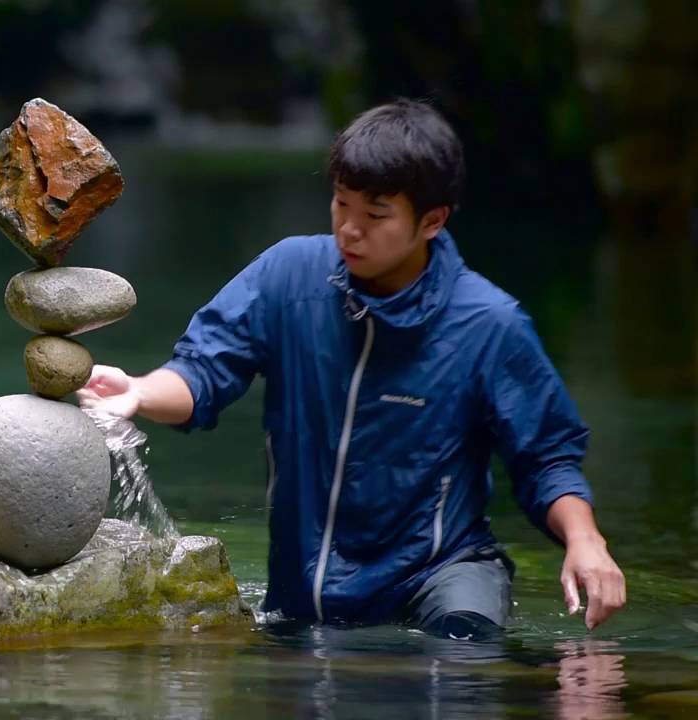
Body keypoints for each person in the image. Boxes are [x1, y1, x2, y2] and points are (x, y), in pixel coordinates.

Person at [77, 99, 626, 639]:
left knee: (466, 649)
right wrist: (137, 392)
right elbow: (202, 373)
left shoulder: (488, 324)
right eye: (341, 204)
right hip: (307, 594)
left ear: (432, 220)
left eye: (376, 215)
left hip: (442, 579)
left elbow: (546, 456)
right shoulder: (288, 277)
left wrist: (586, 541)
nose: (350, 229)